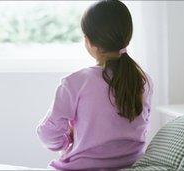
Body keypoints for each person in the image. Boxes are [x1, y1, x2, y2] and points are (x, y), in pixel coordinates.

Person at [36, 0, 153, 170]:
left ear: (89, 41)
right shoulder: (143, 80)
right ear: (127, 37)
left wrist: (67, 140)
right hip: (131, 164)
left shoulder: (74, 82)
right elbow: (141, 126)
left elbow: (48, 134)